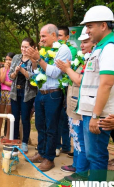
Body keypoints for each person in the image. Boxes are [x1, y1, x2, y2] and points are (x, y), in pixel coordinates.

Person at [76, 5, 114, 183]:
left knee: (96, 157)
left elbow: (106, 84)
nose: (86, 30)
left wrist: (95, 115)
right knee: (93, 155)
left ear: (103, 25)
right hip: (92, 112)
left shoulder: (109, 48)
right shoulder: (100, 47)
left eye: (90, 26)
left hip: (99, 114)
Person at [25, 24, 72, 171]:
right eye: (40, 36)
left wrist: (38, 59)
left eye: (44, 36)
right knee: (40, 125)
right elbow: (37, 72)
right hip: (41, 93)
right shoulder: (44, 50)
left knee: (51, 127)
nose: (41, 39)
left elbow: (54, 73)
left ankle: (49, 158)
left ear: (54, 35)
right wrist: (34, 61)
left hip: (53, 94)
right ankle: (41, 153)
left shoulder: (63, 50)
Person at [56, 26, 94, 181]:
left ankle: (81, 172)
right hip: (73, 105)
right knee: (76, 138)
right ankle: (77, 165)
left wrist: (67, 69)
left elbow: (79, 79)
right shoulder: (82, 58)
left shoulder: (92, 60)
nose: (82, 45)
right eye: (81, 42)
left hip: (81, 107)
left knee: (81, 140)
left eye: (86, 41)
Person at [8, 38, 38, 153]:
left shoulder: (34, 59)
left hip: (28, 94)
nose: (23, 49)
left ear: (31, 47)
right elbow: (10, 76)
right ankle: (15, 141)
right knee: (14, 118)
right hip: (15, 93)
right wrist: (15, 72)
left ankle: (24, 142)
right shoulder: (16, 57)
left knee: (25, 118)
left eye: (26, 47)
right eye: (22, 46)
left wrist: (23, 71)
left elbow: (34, 77)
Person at [55, 26, 77, 157]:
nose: (58, 38)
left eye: (61, 36)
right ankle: (59, 146)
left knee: (64, 117)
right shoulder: (52, 49)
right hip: (57, 88)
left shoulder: (71, 50)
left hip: (67, 88)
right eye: (56, 35)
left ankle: (65, 146)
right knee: (58, 118)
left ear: (67, 37)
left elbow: (62, 66)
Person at [0, 52, 15, 139]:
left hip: (10, 93)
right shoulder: (2, 69)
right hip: (2, 92)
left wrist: (4, 82)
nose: (8, 61)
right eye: (6, 59)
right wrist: (5, 69)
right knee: (0, 114)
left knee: (8, 115)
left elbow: (12, 84)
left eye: (10, 59)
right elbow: (1, 79)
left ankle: (7, 134)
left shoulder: (14, 70)